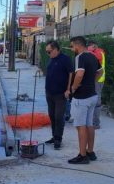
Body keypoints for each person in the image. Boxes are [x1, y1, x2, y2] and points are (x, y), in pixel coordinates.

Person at [68, 36, 103, 164]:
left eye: (72, 46)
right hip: (92, 96)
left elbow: (80, 74)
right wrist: (91, 82)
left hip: (82, 98)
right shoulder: (93, 56)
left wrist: (73, 87)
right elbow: (101, 71)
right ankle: (90, 151)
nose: (72, 49)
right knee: (89, 124)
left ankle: (82, 156)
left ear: (77, 45)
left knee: (80, 126)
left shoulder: (80, 57)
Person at [45, 40, 73, 149]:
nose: (48, 54)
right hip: (49, 92)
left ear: (56, 49)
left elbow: (71, 73)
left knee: (58, 116)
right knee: (51, 116)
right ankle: (54, 136)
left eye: (49, 51)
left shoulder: (65, 59)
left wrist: (68, 89)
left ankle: (58, 139)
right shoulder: (51, 59)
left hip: (60, 94)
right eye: (47, 52)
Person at [88, 40, 106, 129]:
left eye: (89, 46)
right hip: (97, 79)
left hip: (98, 80)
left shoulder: (98, 52)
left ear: (94, 46)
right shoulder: (97, 51)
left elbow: (94, 59)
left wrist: (87, 52)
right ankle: (93, 121)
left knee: (97, 102)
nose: (88, 48)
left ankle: (96, 123)